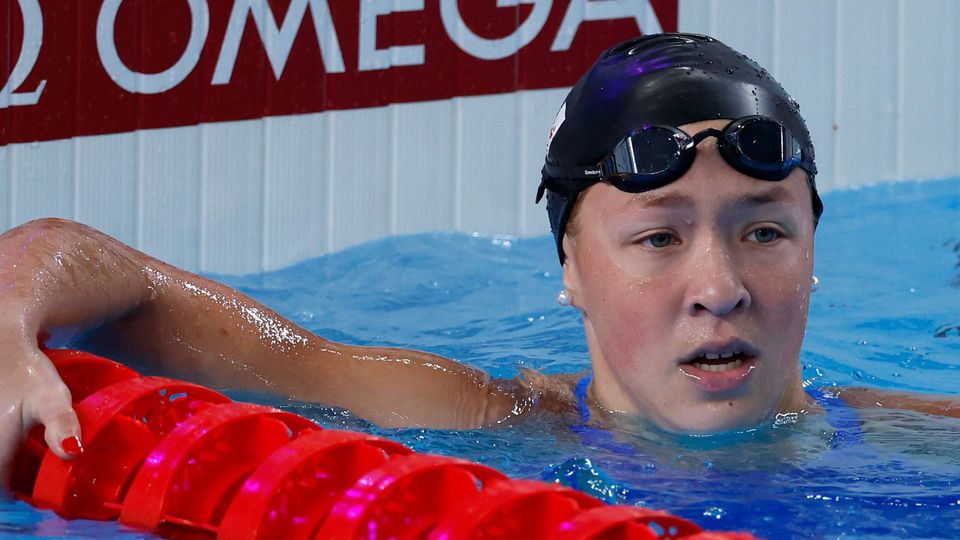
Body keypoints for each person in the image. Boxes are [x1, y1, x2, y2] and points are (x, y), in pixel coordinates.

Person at [0, 33, 956, 489]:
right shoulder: (481, 420)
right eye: (658, 237)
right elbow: (94, 266)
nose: (721, 288)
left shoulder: (912, 441)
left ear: (815, 250)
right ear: (573, 269)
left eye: (765, 231)